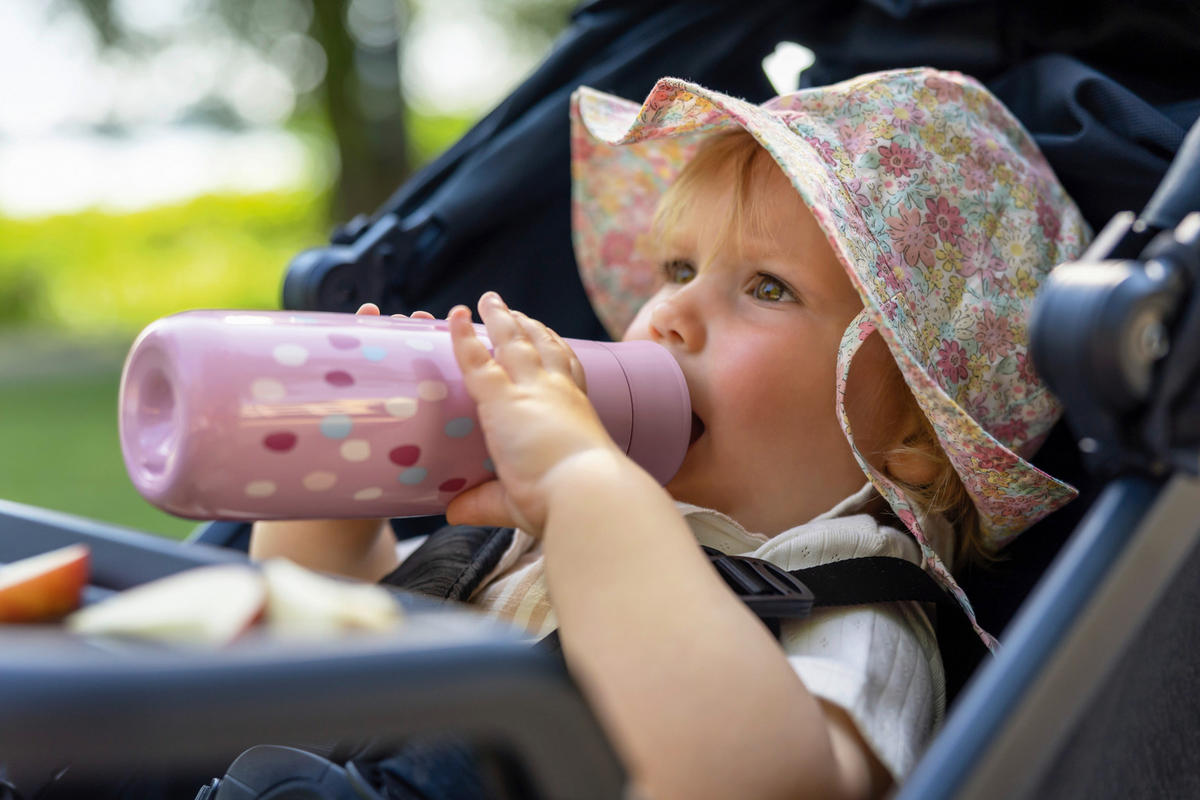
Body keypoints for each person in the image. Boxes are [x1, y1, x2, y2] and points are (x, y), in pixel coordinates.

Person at [250, 68, 1089, 799]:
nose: (672, 315)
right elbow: (313, 649)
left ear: (913, 439)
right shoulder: (533, 536)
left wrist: (585, 488)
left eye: (766, 287)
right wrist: (342, 471)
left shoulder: (852, 613)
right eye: (678, 270)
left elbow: (759, 781)